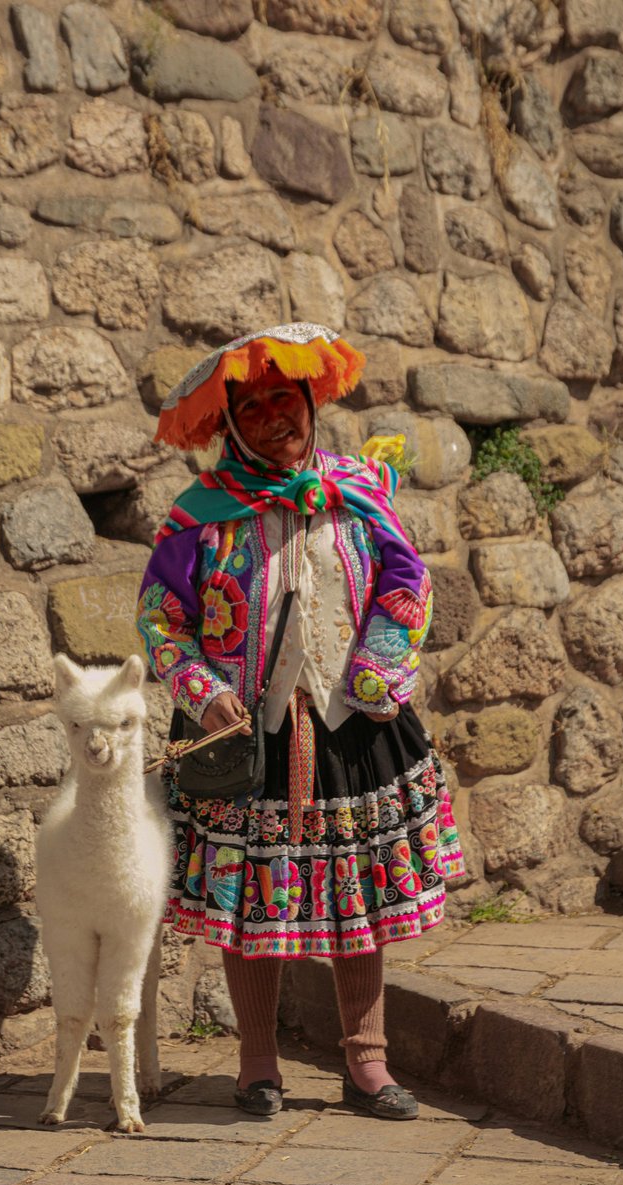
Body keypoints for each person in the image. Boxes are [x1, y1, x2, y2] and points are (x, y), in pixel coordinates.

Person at [137, 323, 464, 1120]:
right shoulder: (201, 517)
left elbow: (405, 576)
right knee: (252, 897)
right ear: (231, 425)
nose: (275, 417)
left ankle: (368, 1061)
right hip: (248, 732)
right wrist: (201, 687)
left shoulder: (356, 488)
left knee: (356, 891)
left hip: (355, 720)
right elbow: (160, 617)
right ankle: (258, 1064)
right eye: (253, 408)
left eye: (286, 399)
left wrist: (383, 662)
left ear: (312, 401)